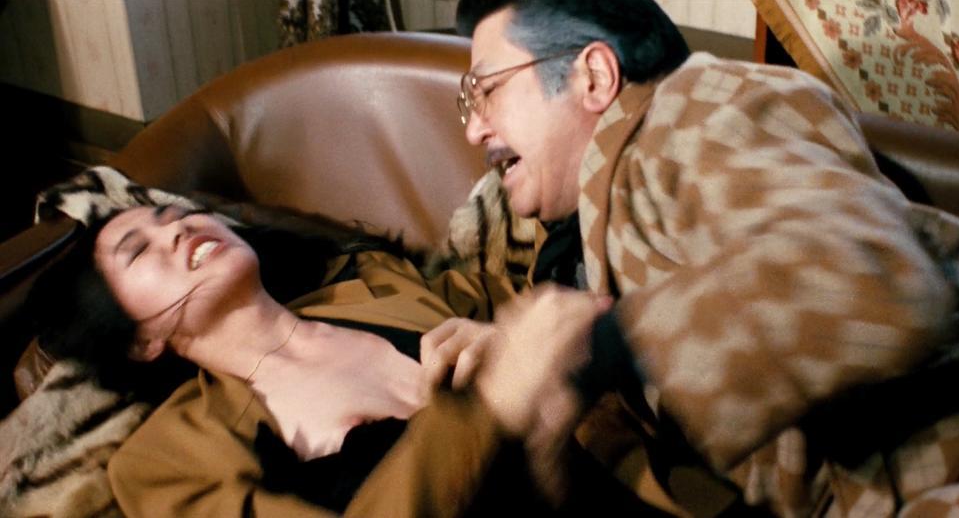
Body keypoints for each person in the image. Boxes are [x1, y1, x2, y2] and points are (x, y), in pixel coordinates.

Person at [442, 0, 959, 516]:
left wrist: (593, 350)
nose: (473, 129)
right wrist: (521, 357)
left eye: (486, 89)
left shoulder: (697, 103)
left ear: (593, 76)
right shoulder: (573, 233)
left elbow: (873, 278)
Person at [28, 203, 670, 517]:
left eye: (177, 213)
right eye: (139, 251)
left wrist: (507, 344)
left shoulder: (376, 280)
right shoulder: (163, 459)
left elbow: (562, 309)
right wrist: (489, 408)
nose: (176, 229)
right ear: (140, 340)